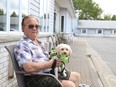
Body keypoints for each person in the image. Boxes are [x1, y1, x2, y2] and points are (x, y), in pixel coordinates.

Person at [14, 15, 80, 87]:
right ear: (23, 28)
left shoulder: (38, 42)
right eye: (31, 26)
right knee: (70, 85)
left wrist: (56, 60)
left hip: (48, 72)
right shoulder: (23, 45)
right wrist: (50, 64)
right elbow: (29, 67)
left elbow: (47, 58)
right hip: (35, 78)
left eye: (37, 26)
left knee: (76, 76)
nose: (34, 28)